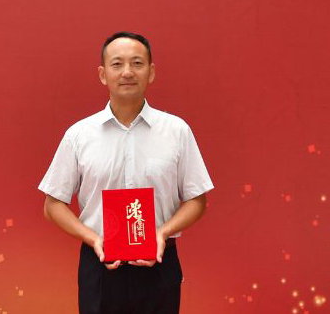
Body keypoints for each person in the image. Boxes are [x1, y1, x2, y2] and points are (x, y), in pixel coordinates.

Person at [38, 31, 214, 314]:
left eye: (137, 63)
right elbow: (52, 205)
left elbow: (197, 200)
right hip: (100, 265)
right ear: (103, 74)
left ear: (151, 72)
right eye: (117, 64)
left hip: (159, 263)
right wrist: (93, 239)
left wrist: (162, 232)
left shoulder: (176, 131)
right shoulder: (79, 135)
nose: (128, 72)